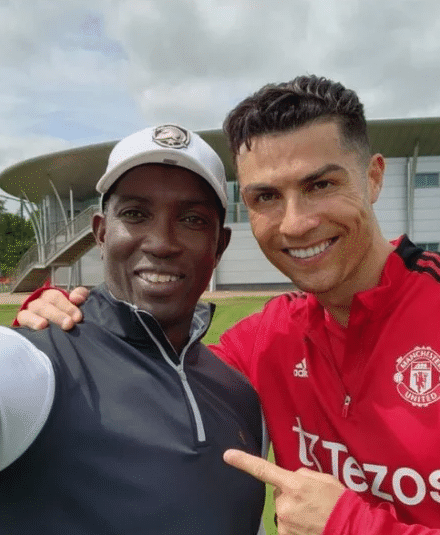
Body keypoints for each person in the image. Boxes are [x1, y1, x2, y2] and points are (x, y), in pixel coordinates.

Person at [17, 77, 440, 534]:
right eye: (266, 197)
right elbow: (152, 364)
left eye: (320, 185)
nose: (296, 223)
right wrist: (60, 315)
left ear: (372, 178)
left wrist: (353, 524)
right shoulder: (266, 341)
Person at [1, 124, 267, 534]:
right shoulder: (32, 367)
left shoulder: (241, 395)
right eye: (135, 214)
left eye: (192, 219)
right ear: (101, 233)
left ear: (219, 245)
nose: (161, 243)